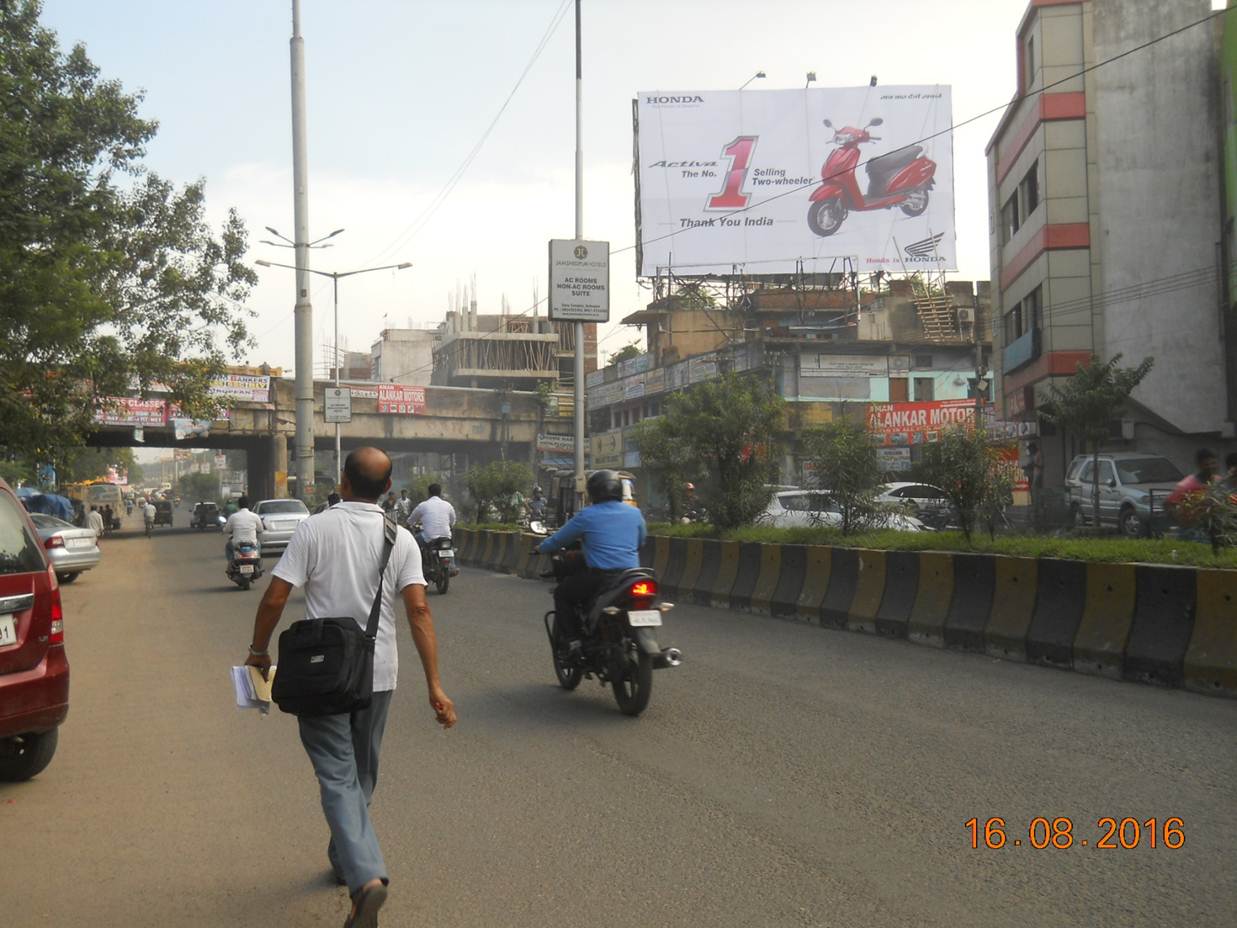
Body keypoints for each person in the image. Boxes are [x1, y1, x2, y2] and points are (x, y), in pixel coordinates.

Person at [243, 448, 456, 927]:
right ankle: (347, 860)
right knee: (360, 776)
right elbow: (419, 612)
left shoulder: (314, 528)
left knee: (339, 778)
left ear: (341, 482)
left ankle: (366, 878)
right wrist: (435, 685)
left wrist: (258, 649)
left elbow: (277, 595)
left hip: (324, 676)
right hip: (379, 675)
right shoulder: (400, 538)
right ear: (387, 489)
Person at [536, 470, 647, 650]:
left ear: (593, 492)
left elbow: (558, 540)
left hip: (602, 578)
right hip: (631, 576)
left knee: (562, 594)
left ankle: (573, 640)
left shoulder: (587, 515)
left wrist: (539, 548)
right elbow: (641, 541)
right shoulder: (635, 513)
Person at [408, 484, 456, 548]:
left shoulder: (423, 505)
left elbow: (411, 521)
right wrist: (450, 525)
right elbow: (453, 521)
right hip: (446, 537)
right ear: (440, 493)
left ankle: (418, 558)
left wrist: (409, 524)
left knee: (413, 543)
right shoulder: (448, 505)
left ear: (429, 493)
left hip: (428, 538)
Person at [222, 495, 263, 564]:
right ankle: (257, 562)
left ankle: (231, 562)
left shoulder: (233, 517)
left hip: (236, 544)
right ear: (249, 505)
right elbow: (260, 529)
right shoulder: (255, 516)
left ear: (238, 505)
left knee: (227, 546)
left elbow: (227, 529)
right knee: (258, 544)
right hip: (252, 543)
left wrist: (224, 530)